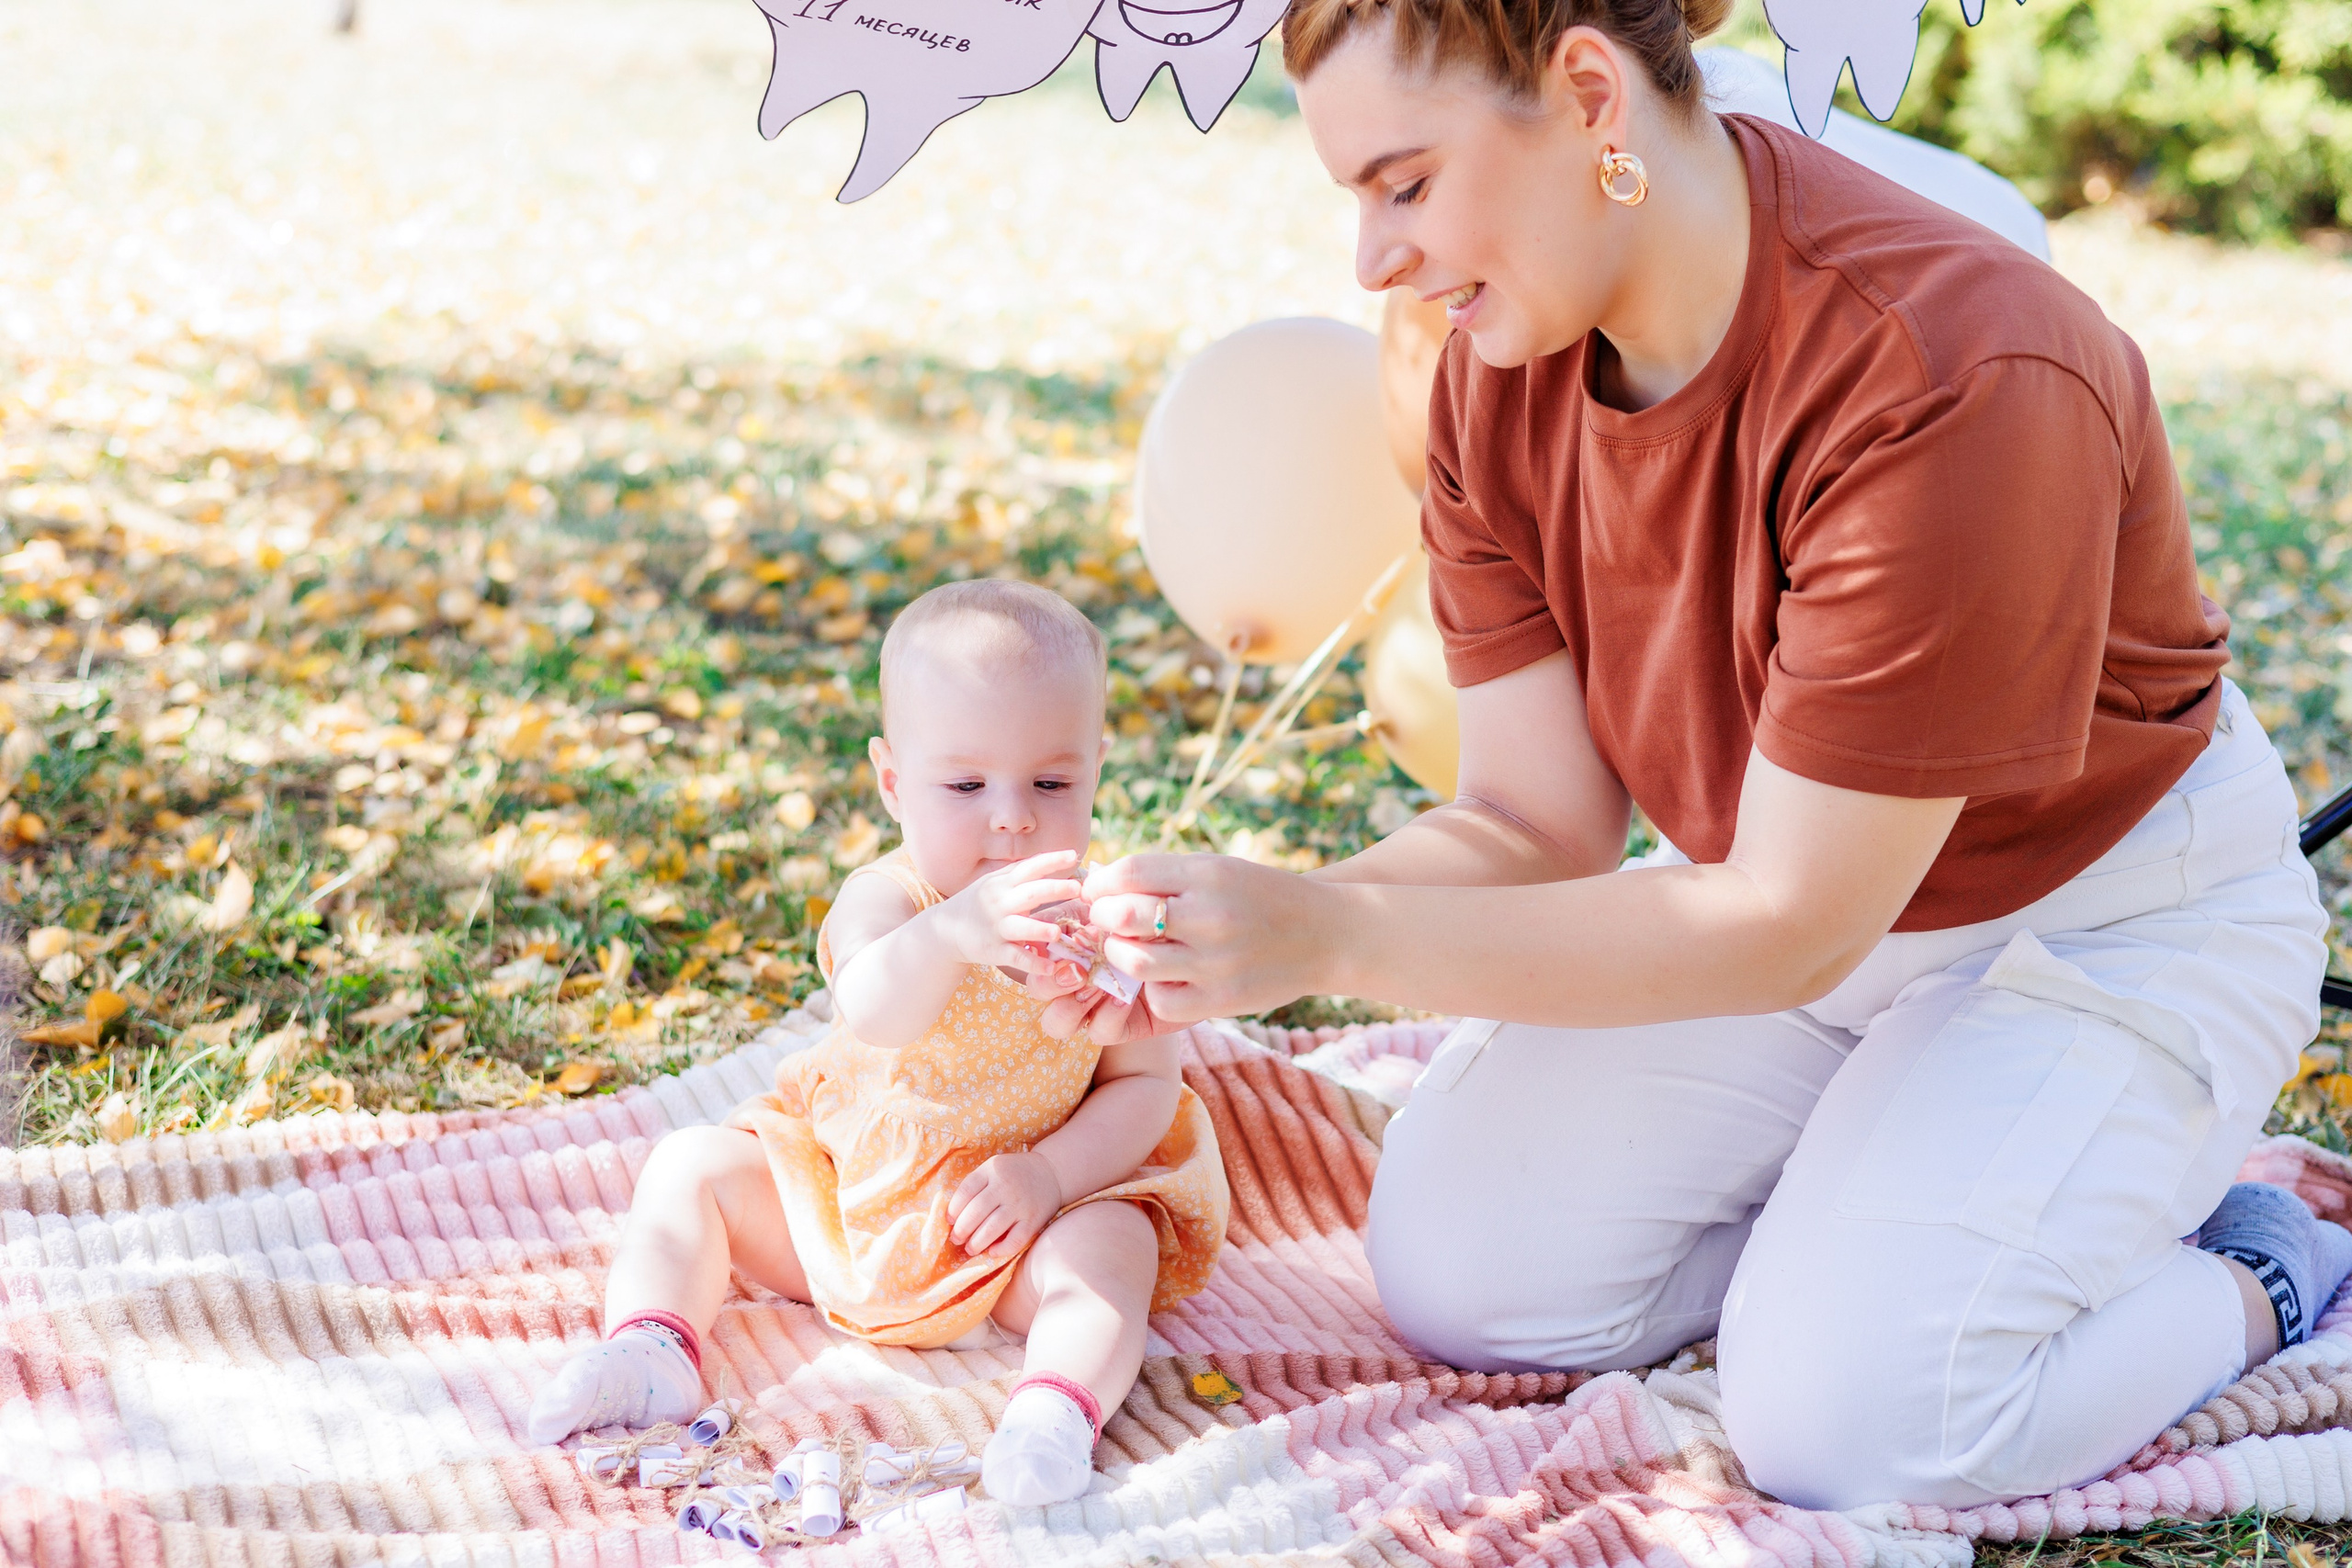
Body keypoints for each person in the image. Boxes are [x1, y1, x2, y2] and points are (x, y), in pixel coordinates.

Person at [1056, 0, 2340, 1512]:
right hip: (1802, 913)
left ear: (1589, 92)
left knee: (1845, 1425)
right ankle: (1896, 1211)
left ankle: (2256, 1267)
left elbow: (1793, 917)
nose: (1374, 261)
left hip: (2111, 923)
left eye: (1404, 185)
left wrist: (1335, 930)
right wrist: (1249, 919)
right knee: (1465, 1273)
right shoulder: (1498, 367)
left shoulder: (1950, 366)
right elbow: (1536, 821)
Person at [528, 580, 1228, 1507]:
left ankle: (1055, 1411)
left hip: (1010, 1234)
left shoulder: (1100, 922)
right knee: (690, 1168)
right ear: (895, 782)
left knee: (1114, 1247)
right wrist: (953, 934)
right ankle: (654, 1345)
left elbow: (1144, 1088)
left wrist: (1051, 1178)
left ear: (1096, 770)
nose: (1011, 817)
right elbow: (874, 1009)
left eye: (1051, 784)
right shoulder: (893, 899)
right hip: (844, 1207)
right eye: (966, 786)